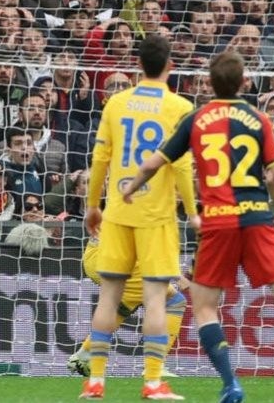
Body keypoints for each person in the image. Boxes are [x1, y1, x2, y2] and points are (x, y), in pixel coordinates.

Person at [121, 51, 274, 403]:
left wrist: (129, 188)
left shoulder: (196, 118)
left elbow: (155, 162)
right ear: (244, 82)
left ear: (209, 83)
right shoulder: (258, 118)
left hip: (218, 222)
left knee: (204, 307)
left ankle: (230, 382)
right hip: (258, 219)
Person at [79, 35, 196, 401]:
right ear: (170, 66)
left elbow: (100, 158)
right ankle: (153, 383)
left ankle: (95, 382)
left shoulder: (116, 102)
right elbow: (182, 166)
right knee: (157, 298)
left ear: (137, 65)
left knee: (108, 298)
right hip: (156, 216)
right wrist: (193, 212)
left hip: (117, 212)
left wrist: (93, 205)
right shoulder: (181, 106)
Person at [68, 234, 191, 380]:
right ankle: (155, 368)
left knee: (125, 305)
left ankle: (85, 355)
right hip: (117, 260)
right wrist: (178, 276)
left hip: (95, 255)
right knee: (173, 302)